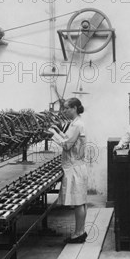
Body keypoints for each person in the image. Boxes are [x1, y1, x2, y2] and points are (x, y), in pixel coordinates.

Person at [50, 98, 88, 244]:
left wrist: (52, 135)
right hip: (77, 166)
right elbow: (68, 137)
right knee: (81, 202)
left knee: (78, 202)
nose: (64, 111)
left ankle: (78, 234)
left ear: (75, 108)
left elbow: (66, 145)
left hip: (74, 167)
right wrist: (58, 130)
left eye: (66, 108)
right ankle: (81, 231)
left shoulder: (77, 124)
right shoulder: (75, 123)